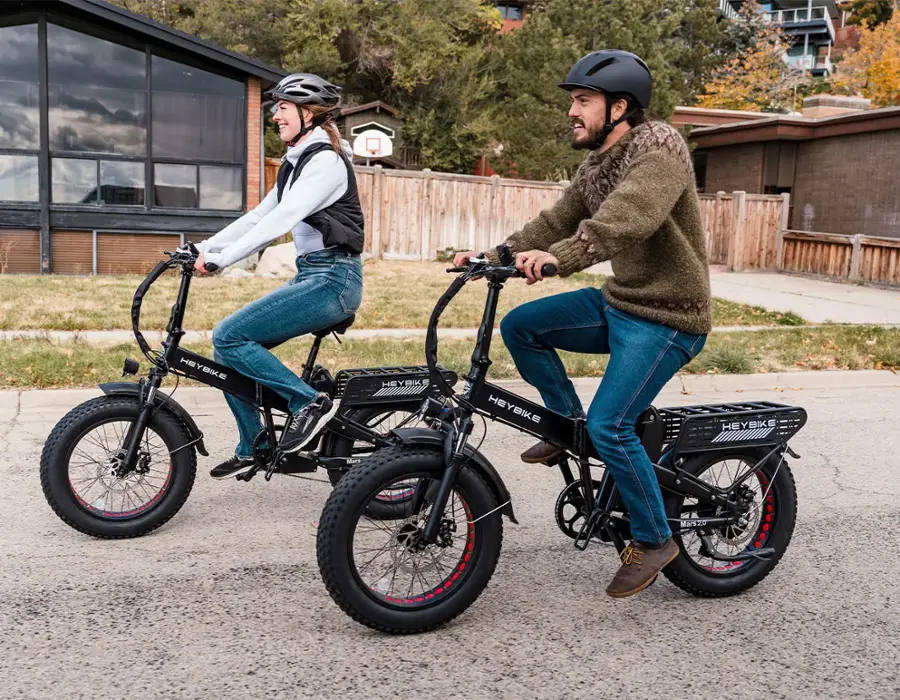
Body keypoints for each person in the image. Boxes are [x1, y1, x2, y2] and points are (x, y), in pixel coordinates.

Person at [454, 50, 712, 598]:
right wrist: (497, 253)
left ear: (620, 107)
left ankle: (654, 539)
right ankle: (564, 425)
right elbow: (556, 219)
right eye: (572, 100)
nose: (571, 111)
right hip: (620, 301)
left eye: (582, 101)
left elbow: (630, 216)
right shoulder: (594, 165)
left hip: (669, 315)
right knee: (523, 327)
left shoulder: (659, 145)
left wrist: (560, 258)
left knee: (612, 425)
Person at [193, 73, 365, 481]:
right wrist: (204, 248)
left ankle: (309, 403)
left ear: (308, 114)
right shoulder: (297, 163)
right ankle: (257, 443)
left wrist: (224, 261)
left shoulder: (324, 162)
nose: (275, 116)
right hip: (314, 275)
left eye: (283, 107)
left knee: (228, 336)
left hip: (334, 279)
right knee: (229, 351)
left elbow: (282, 221)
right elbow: (259, 215)